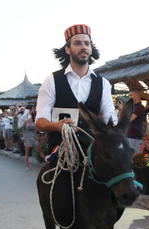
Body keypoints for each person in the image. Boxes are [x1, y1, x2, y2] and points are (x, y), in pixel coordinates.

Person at [35, 24, 118, 155]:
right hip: (61, 154)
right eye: (77, 43)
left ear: (91, 48)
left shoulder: (103, 83)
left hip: (93, 155)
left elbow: (110, 120)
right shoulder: (52, 80)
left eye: (87, 43)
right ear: (67, 49)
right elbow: (40, 122)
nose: (83, 47)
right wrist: (55, 126)